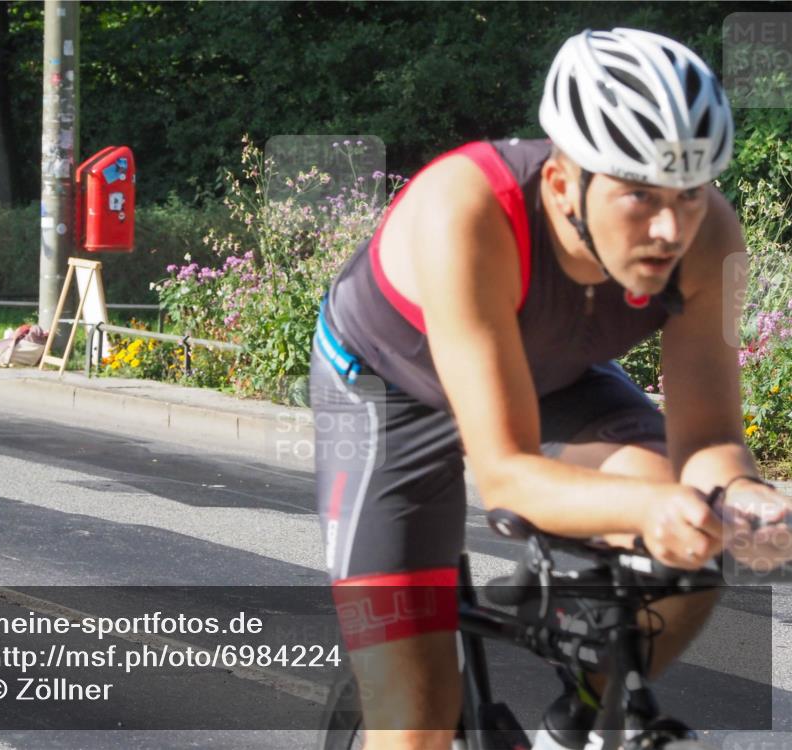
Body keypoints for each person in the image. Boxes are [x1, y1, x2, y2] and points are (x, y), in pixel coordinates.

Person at [310, 28, 792, 750]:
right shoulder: (464, 208)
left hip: (545, 375)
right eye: (639, 194)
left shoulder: (711, 236)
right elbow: (505, 474)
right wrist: (654, 508)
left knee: (696, 555)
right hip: (387, 389)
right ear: (565, 184)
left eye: (690, 192)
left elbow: (711, 440)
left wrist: (743, 499)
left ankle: (579, 725)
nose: (670, 228)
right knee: (415, 715)